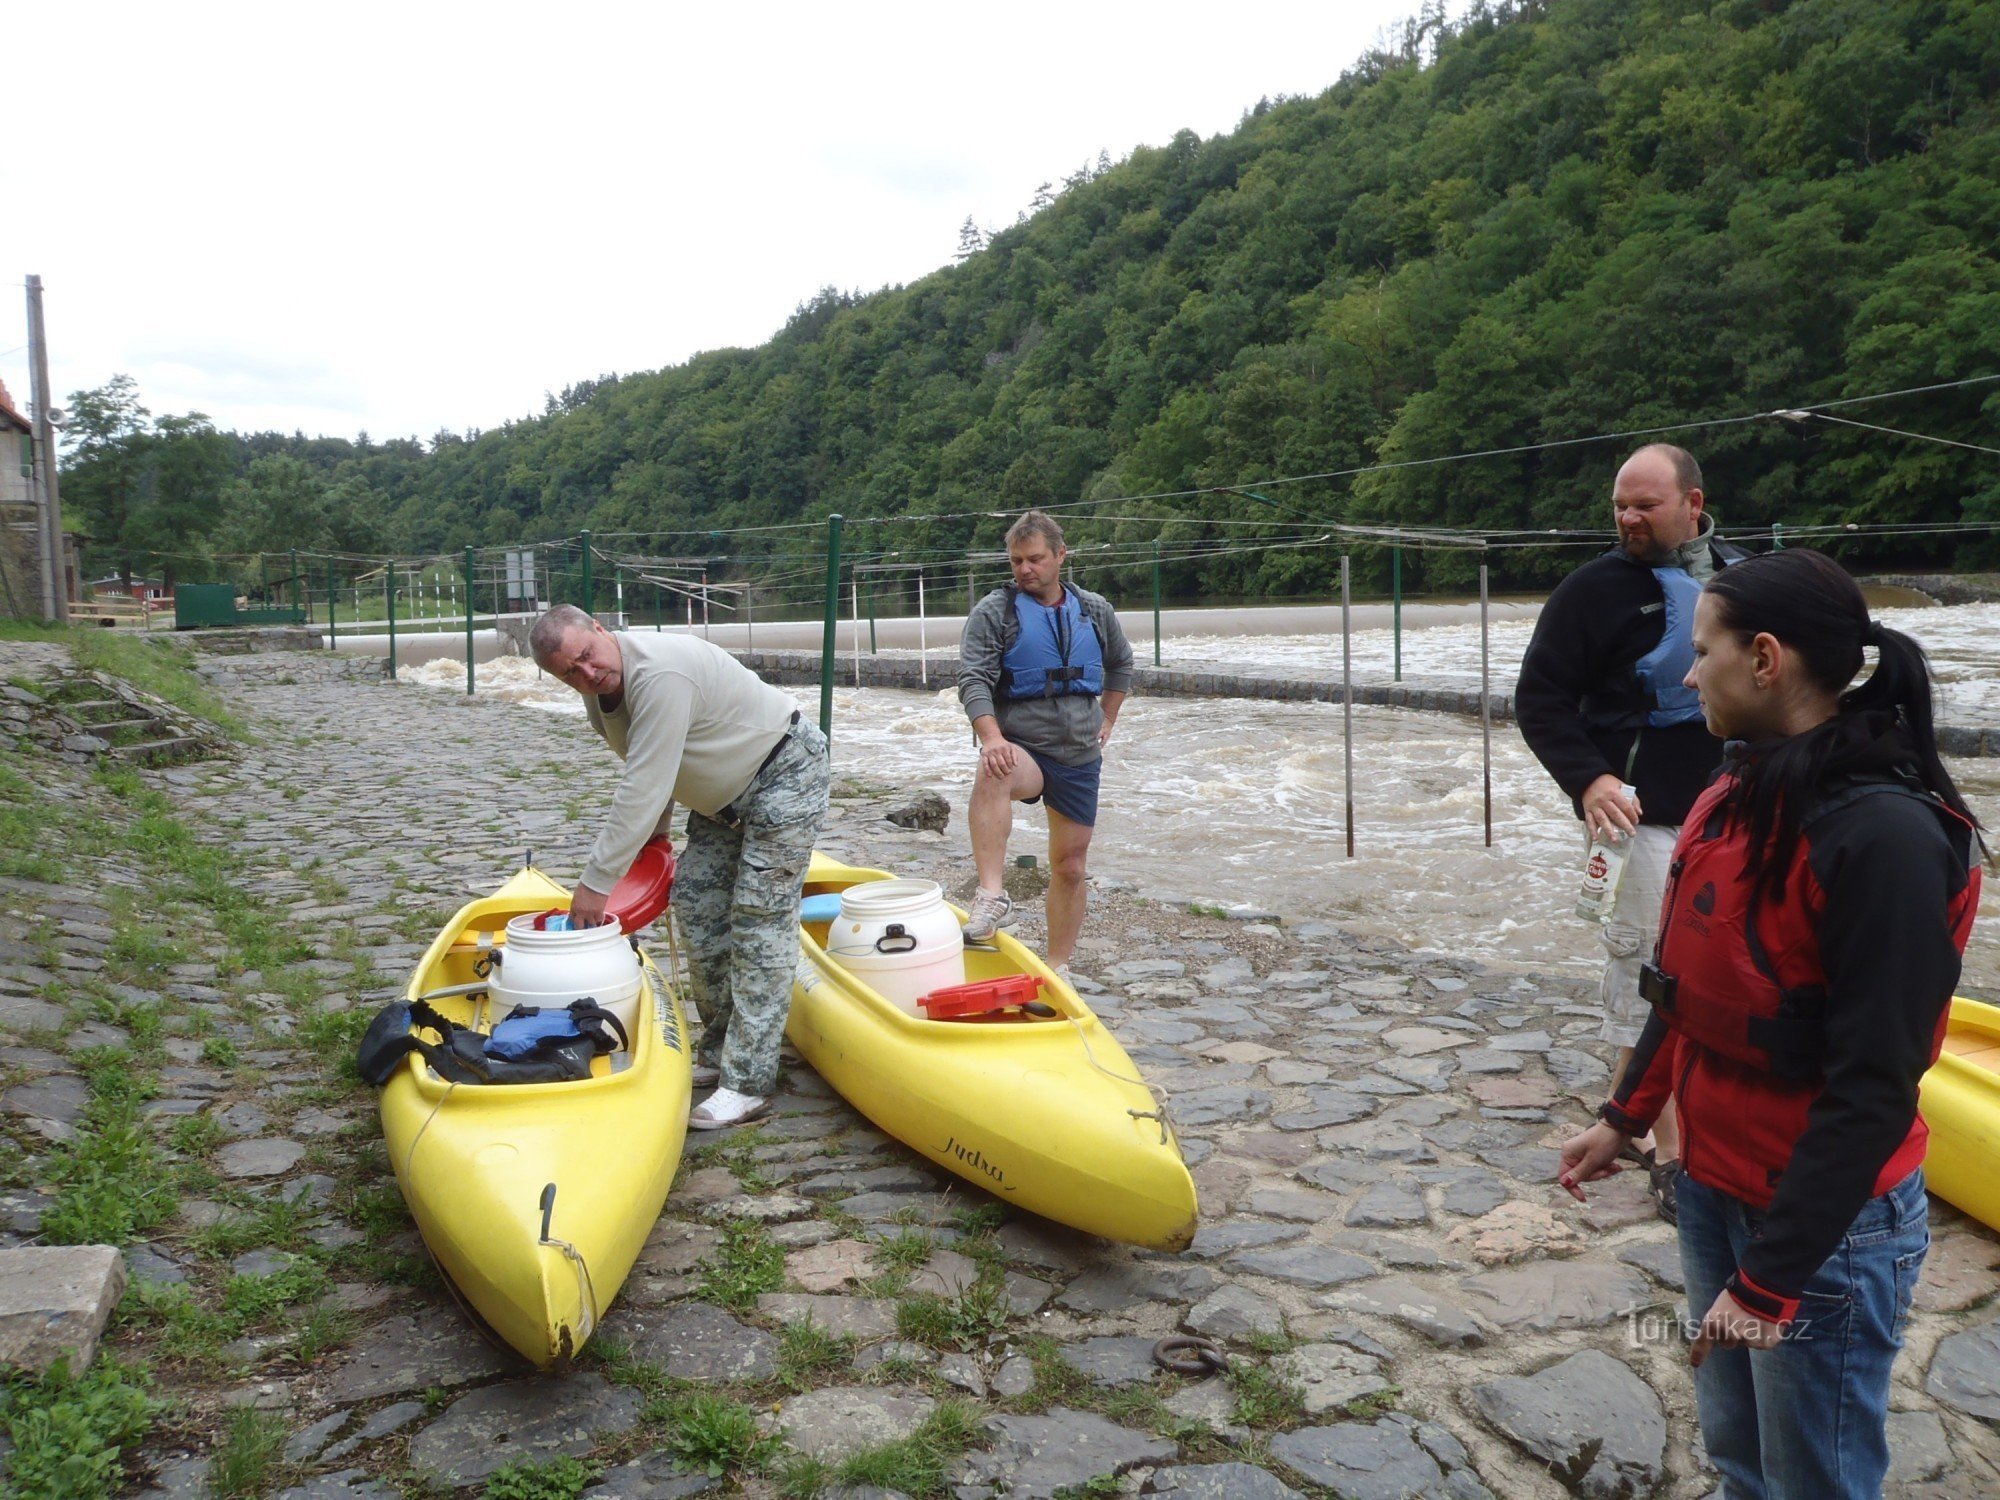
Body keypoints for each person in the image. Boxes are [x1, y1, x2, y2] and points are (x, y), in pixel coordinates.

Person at [1558, 549, 1981, 1500]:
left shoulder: (1887, 839)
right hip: (1712, 1187)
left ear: (1763, 659)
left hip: (1825, 1228)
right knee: (1742, 1458)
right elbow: (1685, 995)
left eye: (1700, 650)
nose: (1682, 673)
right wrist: (1625, 1118)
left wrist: (1771, 1281)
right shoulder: (1734, 791)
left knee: (1815, 1479)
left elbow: (1875, 1087)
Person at [1515, 444, 1744, 1221]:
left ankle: (1669, 1107)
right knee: (1649, 968)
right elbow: (1539, 698)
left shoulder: (1740, 577)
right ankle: (1664, 1144)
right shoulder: (1591, 594)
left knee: (1723, 962)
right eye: (1620, 505)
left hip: (1731, 807)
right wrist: (1590, 778)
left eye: (1646, 505)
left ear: (1692, 501)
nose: (1628, 519)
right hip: (1633, 815)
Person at [529, 603, 830, 1129]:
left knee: (759, 921)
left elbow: (641, 787)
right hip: (721, 802)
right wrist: (660, 840)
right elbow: (654, 762)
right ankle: (718, 1049)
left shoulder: (659, 674)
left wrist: (595, 886)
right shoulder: (599, 699)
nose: (587, 674)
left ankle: (749, 1081)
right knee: (695, 904)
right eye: (568, 674)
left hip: (784, 772)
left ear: (601, 630)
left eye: (587, 656)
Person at [956, 510, 1134, 969]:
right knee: (993, 767)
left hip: (1079, 751)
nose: (1024, 570)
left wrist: (1108, 717)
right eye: (1016, 561)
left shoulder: (1094, 610)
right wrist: (991, 736)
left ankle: (1058, 966)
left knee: (1071, 867)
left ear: (1060, 556)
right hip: (1024, 748)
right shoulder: (996, 612)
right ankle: (992, 895)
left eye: (1034, 559)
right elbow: (973, 679)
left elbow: (1121, 664)